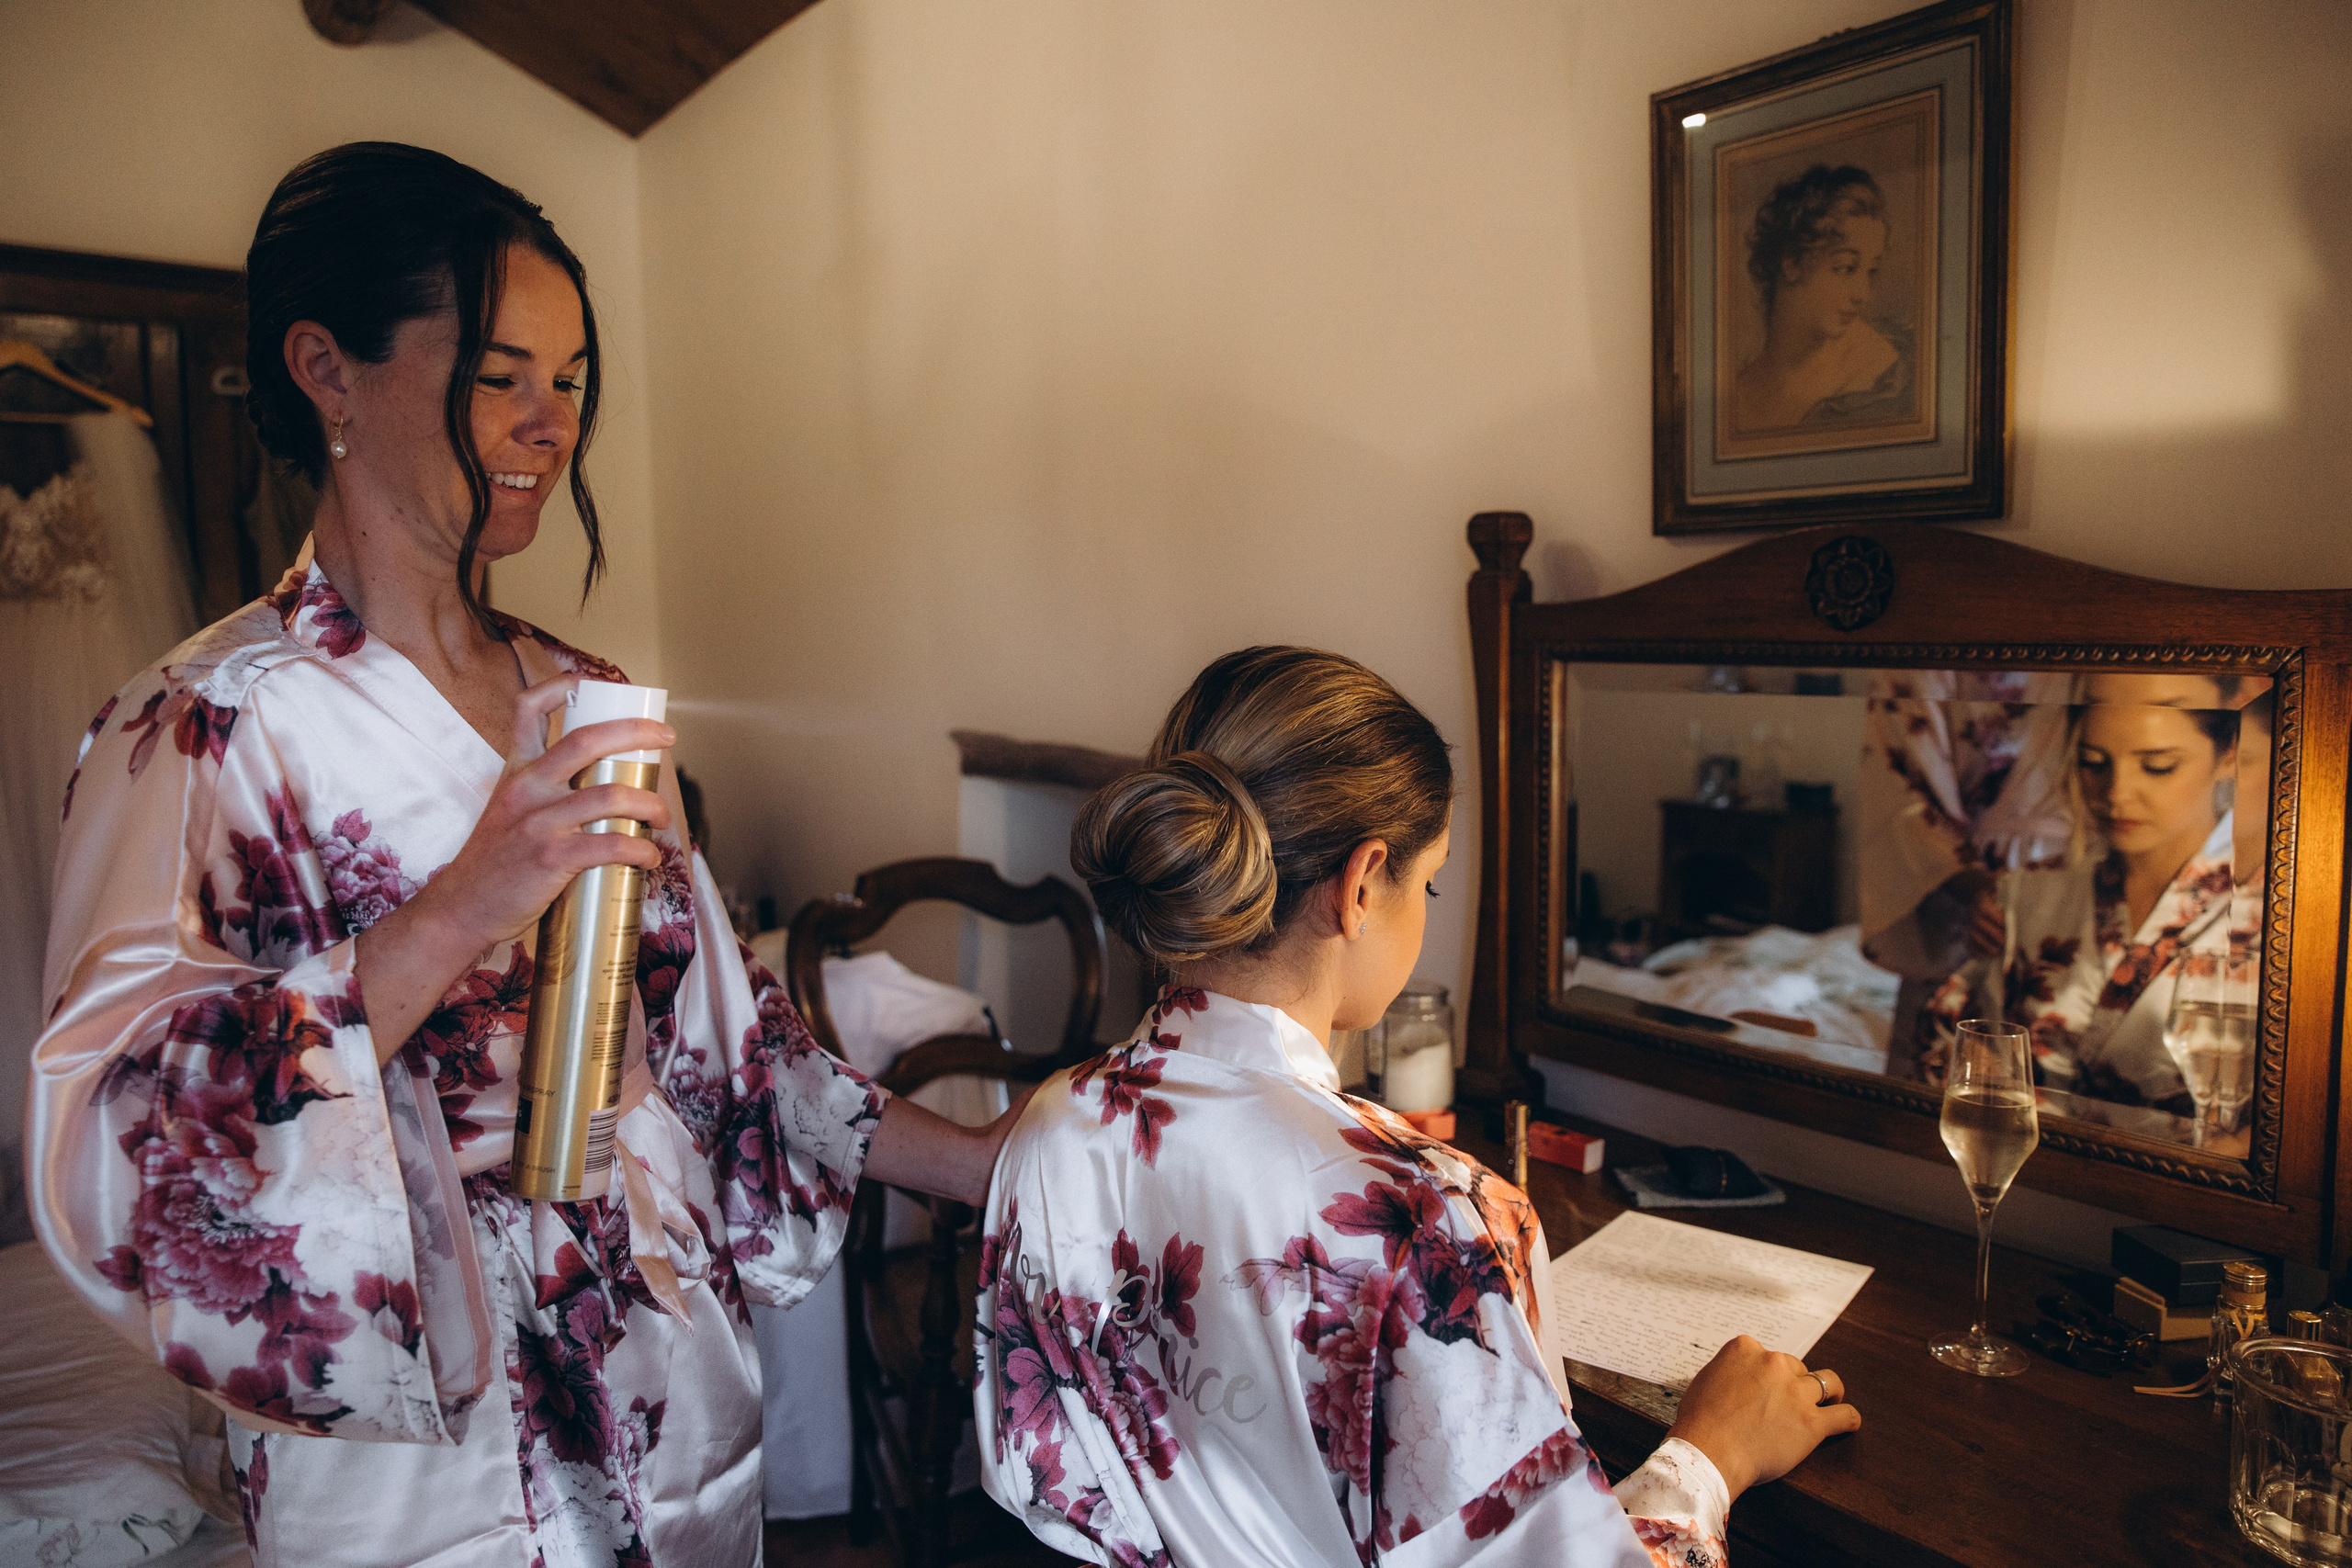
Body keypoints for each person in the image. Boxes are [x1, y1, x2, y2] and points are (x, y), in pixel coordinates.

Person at [28, 142, 1014, 1568]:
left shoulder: (588, 698)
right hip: (423, 1444)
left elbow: (734, 1051)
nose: (552, 424)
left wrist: (990, 1162)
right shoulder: (202, 728)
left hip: (669, 1373)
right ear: (326, 369)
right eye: (501, 375)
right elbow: (122, 1133)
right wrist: (457, 907)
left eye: (570, 378)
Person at [974, 648, 1860, 1568]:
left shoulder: (1051, 1124)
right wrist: (1710, 1455)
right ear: (1361, 885)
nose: (1426, 906)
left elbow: (1044, 1475)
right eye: (1428, 880)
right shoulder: (1425, 1221)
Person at [1921, 673, 2243, 1109]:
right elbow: (1958, 1044)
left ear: (2228, 755)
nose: (2117, 793)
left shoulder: (2275, 914)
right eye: (2093, 762)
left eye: (2158, 766)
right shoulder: (2027, 894)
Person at [1858, 670, 2075, 1079]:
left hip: (2077, 881)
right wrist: (1977, 889)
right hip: (1961, 890)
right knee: (1938, 1075)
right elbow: (1900, 791)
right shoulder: (1927, 655)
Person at [1729, 164, 1915, 436]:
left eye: (1871, 271)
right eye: (1845, 268)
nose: (1863, 294)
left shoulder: (1883, 375)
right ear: (1792, 263)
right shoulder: (1737, 394)